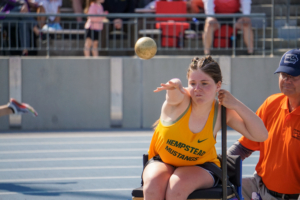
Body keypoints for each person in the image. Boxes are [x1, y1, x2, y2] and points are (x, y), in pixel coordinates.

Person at [142, 55, 268, 200]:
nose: (197, 89)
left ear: (218, 85)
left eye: (204, 83)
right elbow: (172, 95)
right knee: (153, 185)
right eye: (192, 83)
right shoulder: (179, 100)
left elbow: (261, 135)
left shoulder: (222, 111)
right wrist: (175, 83)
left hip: (201, 166)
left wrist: (237, 104)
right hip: (163, 161)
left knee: (177, 187)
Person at [227, 49, 300, 200]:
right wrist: (218, 167)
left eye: (293, 76)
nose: (287, 80)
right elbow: (244, 147)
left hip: (291, 197)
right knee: (215, 190)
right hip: (259, 187)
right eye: (283, 75)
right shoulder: (271, 103)